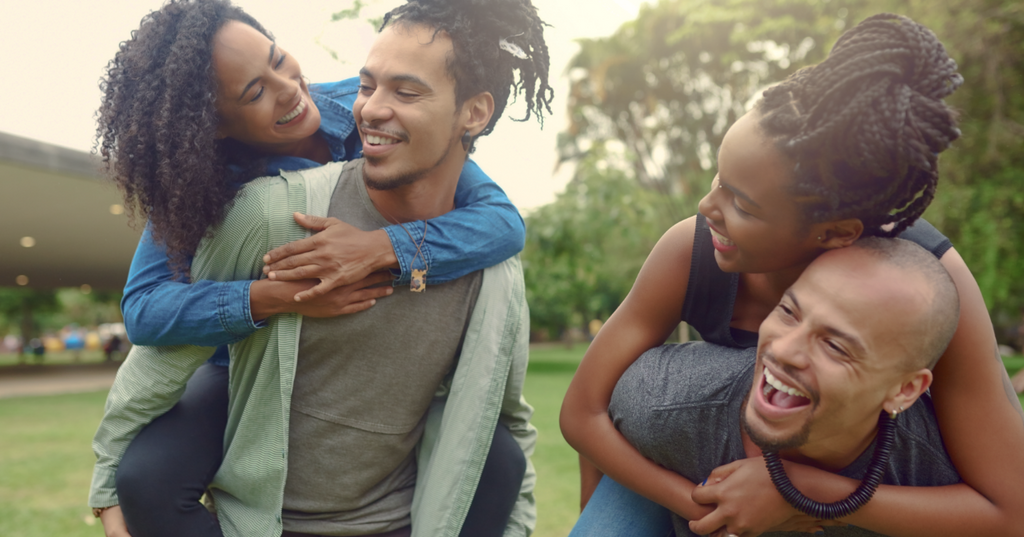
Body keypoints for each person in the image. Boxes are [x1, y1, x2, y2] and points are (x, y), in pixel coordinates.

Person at [91, 0, 552, 536]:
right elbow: (145, 313)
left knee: (496, 457)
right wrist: (272, 297)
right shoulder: (217, 187)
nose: (288, 88)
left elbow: (501, 223)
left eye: (277, 59)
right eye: (255, 92)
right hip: (238, 357)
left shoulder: (357, 109)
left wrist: (380, 248)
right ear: (215, 126)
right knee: (149, 475)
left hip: (366, 374)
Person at [560, 13, 1024, 536]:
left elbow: (1010, 508)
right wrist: (708, 506)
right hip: (685, 462)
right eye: (719, 178)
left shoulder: (921, 285)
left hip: (860, 472)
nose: (707, 206)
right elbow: (584, 414)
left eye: (744, 204)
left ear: (834, 233)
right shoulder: (691, 252)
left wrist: (802, 493)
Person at [586, 238, 962, 536]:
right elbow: (588, 417)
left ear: (904, 390)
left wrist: (805, 495)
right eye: (787, 312)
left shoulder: (936, 473)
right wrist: (700, 506)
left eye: (834, 346)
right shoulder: (664, 399)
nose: (783, 350)